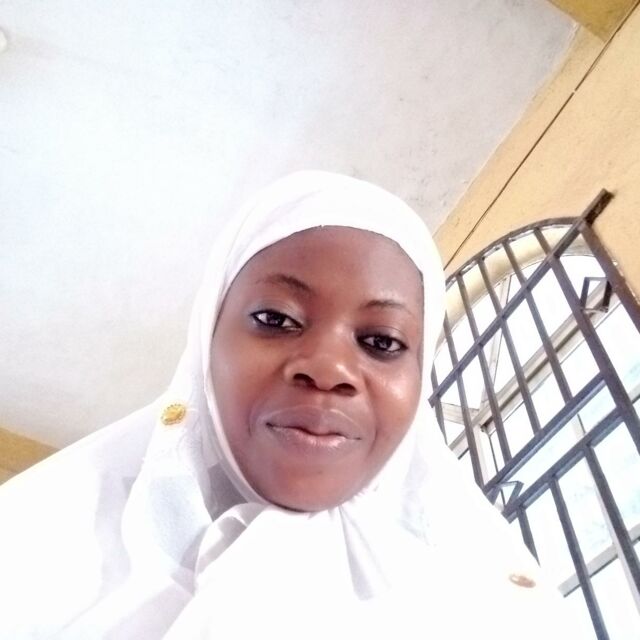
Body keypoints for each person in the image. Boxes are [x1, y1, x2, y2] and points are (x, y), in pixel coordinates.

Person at [0, 172, 570, 639]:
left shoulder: (490, 606)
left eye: (382, 342)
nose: (327, 368)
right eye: (275, 318)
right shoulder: (34, 557)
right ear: (206, 342)